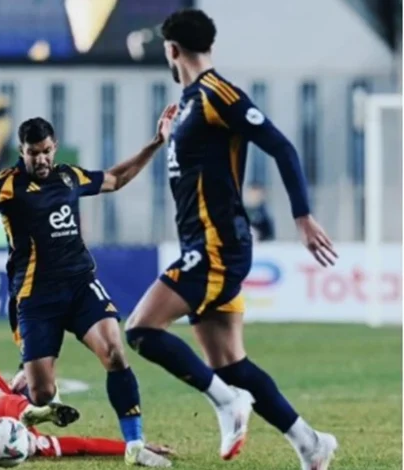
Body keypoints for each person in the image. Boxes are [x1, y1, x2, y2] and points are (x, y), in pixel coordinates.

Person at [123, 9, 338, 470]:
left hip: (217, 246)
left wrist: (302, 216)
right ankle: (311, 444)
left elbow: (280, 145)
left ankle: (228, 402)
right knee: (230, 364)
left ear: (171, 50)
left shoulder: (217, 94)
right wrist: (168, 138)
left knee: (141, 330)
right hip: (203, 245)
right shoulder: (188, 106)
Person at [0, 113, 176, 467]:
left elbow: (116, 179)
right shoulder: (8, 184)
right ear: (22, 151)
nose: (41, 159)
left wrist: (156, 143)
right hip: (36, 297)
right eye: (33, 153)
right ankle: (24, 396)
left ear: (54, 147)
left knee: (114, 353)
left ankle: (135, 444)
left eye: (45, 151)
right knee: (42, 393)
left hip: (79, 285)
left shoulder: (69, 176)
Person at [0, 328, 175, 464]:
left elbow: (80, 446)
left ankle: (25, 413)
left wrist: (131, 446)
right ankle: (26, 411)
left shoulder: (25, 437)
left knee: (14, 440)